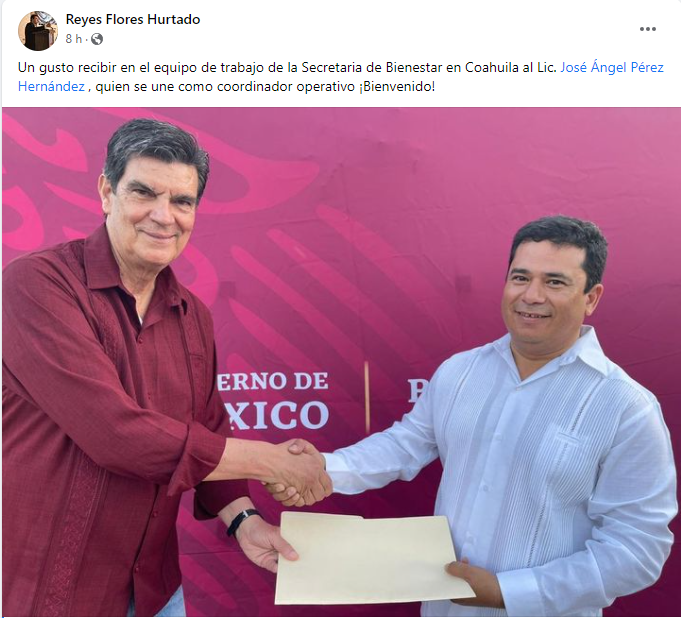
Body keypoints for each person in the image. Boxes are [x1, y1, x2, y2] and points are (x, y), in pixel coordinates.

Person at [2, 118, 331, 617]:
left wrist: (243, 520)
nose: (164, 216)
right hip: (51, 595)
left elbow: (207, 429)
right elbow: (116, 435)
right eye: (144, 193)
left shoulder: (192, 314)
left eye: (182, 201)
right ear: (107, 192)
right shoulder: (37, 285)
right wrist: (272, 461)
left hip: (156, 594)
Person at [269, 216, 677, 616]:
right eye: (520, 277)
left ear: (591, 297)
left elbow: (637, 549)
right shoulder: (460, 372)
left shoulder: (625, 407)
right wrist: (320, 468)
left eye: (555, 282)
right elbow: (403, 446)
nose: (532, 295)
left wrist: (508, 592)